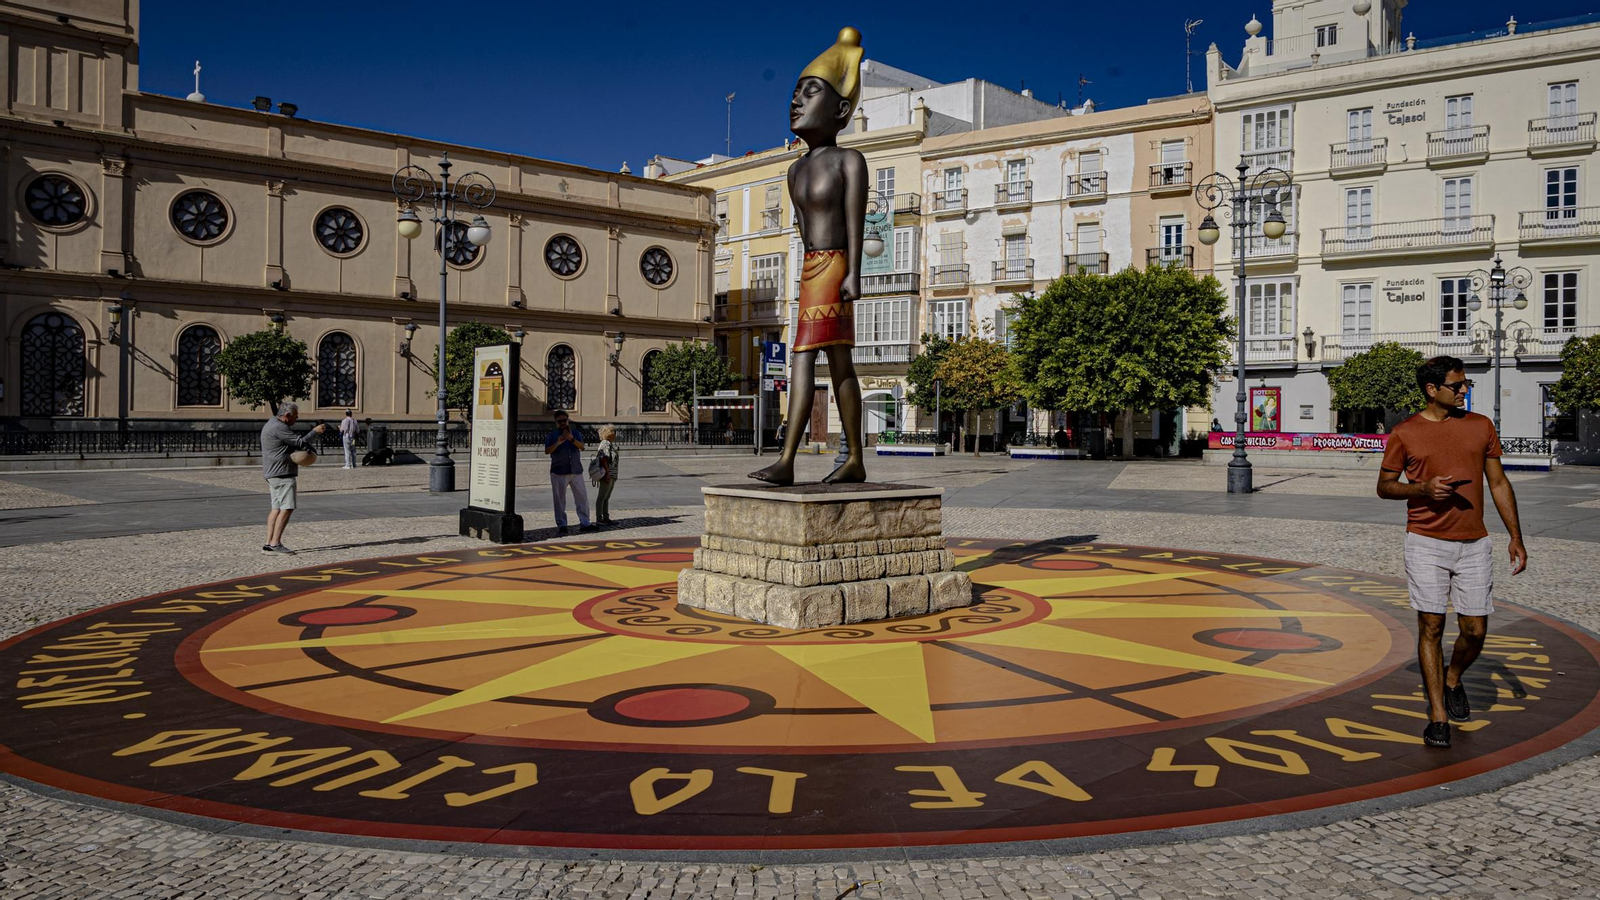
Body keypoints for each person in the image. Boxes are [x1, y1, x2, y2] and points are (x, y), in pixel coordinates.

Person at [1377, 355, 1527, 749]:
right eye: (1457, 385)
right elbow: (1385, 486)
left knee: (1475, 630)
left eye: (1466, 383)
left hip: (1474, 543)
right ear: (1432, 390)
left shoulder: (1480, 427)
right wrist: (1422, 489)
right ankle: (1438, 716)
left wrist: (1515, 536)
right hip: (1425, 541)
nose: (1465, 390)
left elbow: (1497, 483)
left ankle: (1453, 677)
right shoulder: (1405, 433)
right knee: (1431, 626)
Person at [750, 28, 869, 486]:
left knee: (817, 358)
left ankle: (806, 459)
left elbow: (855, 221)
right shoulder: (794, 169)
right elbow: (801, 229)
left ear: (841, 110)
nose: (796, 101)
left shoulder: (849, 162)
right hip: (811, 269)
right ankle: (830, 458)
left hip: (836, 267)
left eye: (810, 91)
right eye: (795, 92)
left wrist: (854, 271)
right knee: (827, 360)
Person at [260, 401, 326, 555]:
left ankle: (269, 543)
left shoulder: (271, 424)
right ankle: (275, 544)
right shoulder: (279, 427)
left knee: (276, 508)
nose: (296, 419)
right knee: (287, 508)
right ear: (287, 416)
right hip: (282, 473)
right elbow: (300, 443)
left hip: (273, 473)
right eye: (295, 416)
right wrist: (315, 431)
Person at [545, 409, 595, 535]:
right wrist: (558, 442)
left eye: (564, 420)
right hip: (559, 472)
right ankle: (562, 524)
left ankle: (585, 522)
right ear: (556, 422)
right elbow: (547, 451)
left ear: (568, 420)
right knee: (559, 500)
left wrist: (571, 439)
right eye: (559, 421)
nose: (562, 423)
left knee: (582, 497)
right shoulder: (552, 435)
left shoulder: (576, 433)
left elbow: (582, 447)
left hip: (576, 470)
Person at [591, 424, 620, 526]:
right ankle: (599, 518)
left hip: (612, 474)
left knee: (606, 497)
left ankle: (606, 517)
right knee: (601, 497)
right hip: (607, 474)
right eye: (613, 431)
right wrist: (607, 474)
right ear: (608, 433)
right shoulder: (605, 444)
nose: (615, 434)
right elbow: (603, 459)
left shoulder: (609, 444)